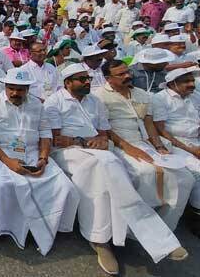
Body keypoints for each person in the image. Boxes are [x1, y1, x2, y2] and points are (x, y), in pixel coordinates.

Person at [44, 64, 188, 275]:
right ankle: (151, 236)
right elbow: (57, 139)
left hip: (97, 150)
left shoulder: (95, 101)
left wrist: (102, 140)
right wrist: (84, 141)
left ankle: (101, 239)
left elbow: (103, 132)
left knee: (107, 176)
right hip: (67, 152)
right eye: (81, 78)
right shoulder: (53, 103)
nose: (87, 81)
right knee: (108, 164)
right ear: (67, 83)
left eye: (88, 78)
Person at [0, 68, 79, 256]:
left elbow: (45, 133)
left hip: (34, 152)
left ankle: (46, 226)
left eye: (20, 89)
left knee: (64, 186)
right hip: (2, 153)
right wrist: (9, 162)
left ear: (28, 88)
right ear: (5, 86)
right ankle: (10, 228)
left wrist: (43, 158)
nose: (15, 93)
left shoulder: (37, 105)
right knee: (5, 185)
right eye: (11, 88)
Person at [94, 60, 196, 235]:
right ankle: (138, 228)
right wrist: (127, 148)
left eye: (128, 72)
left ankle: (165, 227)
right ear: (108, 79)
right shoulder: (99, 96)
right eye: (121, 74)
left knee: (185, 177)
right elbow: (105, 128)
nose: (127, 76)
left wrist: (158, 146)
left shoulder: (142, 94)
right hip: (120, 143)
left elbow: (148, 122)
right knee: (145, 173)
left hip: (146, 142)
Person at [152, 67, 200, 235]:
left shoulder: (195, 96)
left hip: (196, 140)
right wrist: (191, 149)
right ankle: (195, 217)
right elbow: (161, 129)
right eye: (186, 81)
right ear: (172, 84)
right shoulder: (160, 98)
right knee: (198, 172)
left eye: (192, 80)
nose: (191, 84)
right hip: (175, 144)